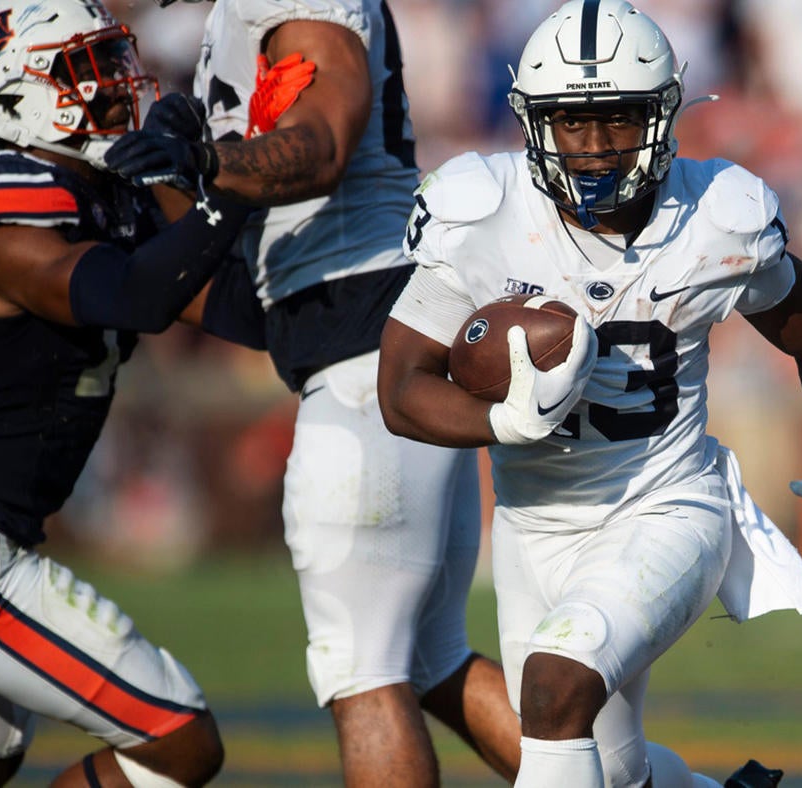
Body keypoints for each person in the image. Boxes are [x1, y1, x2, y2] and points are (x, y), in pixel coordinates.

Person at [374, 2, 802, 785]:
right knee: (608, 770)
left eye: (616, 121)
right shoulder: (484, 212)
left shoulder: (717, 214)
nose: (592, 148)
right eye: (570, 124)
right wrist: (498, 420)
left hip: (667, 508)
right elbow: (400, 386)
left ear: (662, 114)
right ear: (532, 122)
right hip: (534, 530)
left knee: (554, 691)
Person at [105, 0, 524, 784]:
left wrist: (205, 160)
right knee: (429, 662)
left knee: (360, 669)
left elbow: (321, 145)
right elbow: (235, 283)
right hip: (372, 343)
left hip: (368, 354)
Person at [0, 0, 261, 785]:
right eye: (82, 69)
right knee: (180, 741)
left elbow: (234, 310)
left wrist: (189, 182)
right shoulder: (5, 226)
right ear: (11, 101)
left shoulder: (101, 195)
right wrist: (227, 185)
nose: (115, 84)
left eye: (110, 59)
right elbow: (139, 296)